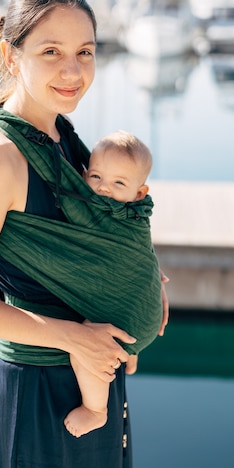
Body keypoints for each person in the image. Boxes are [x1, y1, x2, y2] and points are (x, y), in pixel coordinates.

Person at [0, 0, 169, 468]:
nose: (73, 71)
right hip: (41, 389)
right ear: (9, 54)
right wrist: (77, 339)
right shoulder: (1, 157)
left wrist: (143, 281)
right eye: (51, 52)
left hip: (92, 367)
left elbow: (100, 235)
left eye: (84, 52)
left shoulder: (61, 135)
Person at [64, 129, 159, 438]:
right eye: (95, 177)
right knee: (115, 317)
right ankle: (131, 352)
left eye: (119, 183)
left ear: (139, 193)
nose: (104, 189)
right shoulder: (137, 212)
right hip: (143, 309)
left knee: (88, 341)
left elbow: (69, 206)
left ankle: (96, 409)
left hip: (133, 317)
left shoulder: (108, 213)